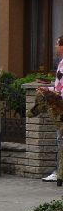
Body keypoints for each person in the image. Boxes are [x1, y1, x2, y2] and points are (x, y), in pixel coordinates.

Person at [41, 36, 63, 182]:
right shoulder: (61, 63)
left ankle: (58, 172)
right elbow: (59, 87)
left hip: (60, 106)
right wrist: (47, 88)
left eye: (57, 44)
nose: (55, 47)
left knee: (60, 139)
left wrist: (53, 94)